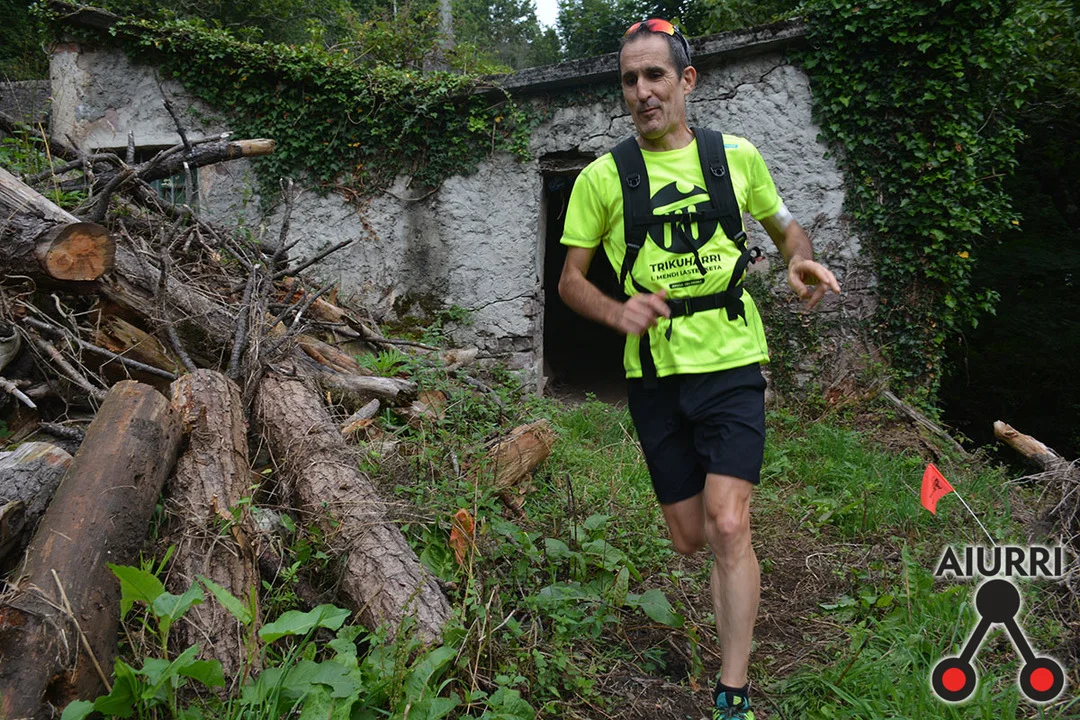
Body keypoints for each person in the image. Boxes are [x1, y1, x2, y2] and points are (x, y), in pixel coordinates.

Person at [557, 18, 841, 720]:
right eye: (630, 79)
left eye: (655, 75)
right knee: (690, 538)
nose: (642, 91)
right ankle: (724, 553)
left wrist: (798, 259)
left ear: (686, 80)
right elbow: (570, 281)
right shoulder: (602, 178)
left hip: (733, 361)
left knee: (728, 522)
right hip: (654, 374)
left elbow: (787, 228)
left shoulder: (735, 157)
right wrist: (615, 311)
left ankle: (732, 691)